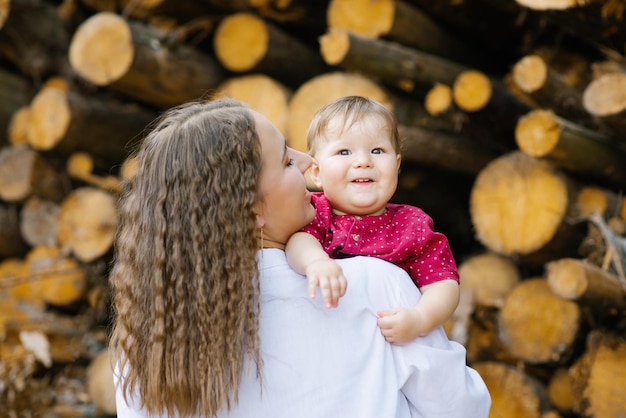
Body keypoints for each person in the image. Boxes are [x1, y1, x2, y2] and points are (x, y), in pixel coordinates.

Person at [111, 97, 491, 417]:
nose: (309, 162)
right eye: (286, 161)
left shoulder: (148, 342)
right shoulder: (376, 286)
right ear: (251, 210)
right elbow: (461, 408)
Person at [286, 96, 460, 344]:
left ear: (397, 165)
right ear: (316, 172)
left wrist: (420, 318)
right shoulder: (317, 211)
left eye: (377, 151)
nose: (363, 161)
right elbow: (299, 240)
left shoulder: (411, 225)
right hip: (328, 340)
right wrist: (315, 262)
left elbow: (443, 283)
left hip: (387, 345)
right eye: (344, 151)